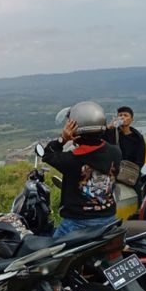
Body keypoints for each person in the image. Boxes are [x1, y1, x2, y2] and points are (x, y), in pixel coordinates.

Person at [43, 101, 122, 238]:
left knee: (48, 255)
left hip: (77, 223)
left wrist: (63, 139)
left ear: (76, 130)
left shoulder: (72, 159)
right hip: (109, 219)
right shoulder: (115, 152)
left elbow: (48, 154)